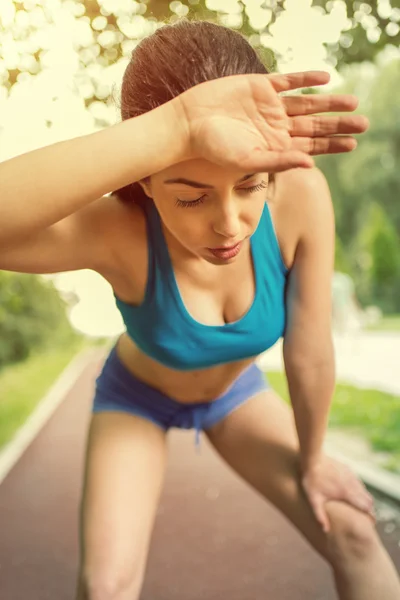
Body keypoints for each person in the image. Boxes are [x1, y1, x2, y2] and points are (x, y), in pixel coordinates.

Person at [0, 18, 398, 600]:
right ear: (147, 179)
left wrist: (313, 459)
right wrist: (178, 126)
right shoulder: (119, 232)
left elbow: (311, 350)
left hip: (236, 396)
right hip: (137, 396)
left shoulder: (302, 195)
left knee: (356, 535)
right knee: (105, 586)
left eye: (251, 185)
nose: (229, 225)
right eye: (190, 195)